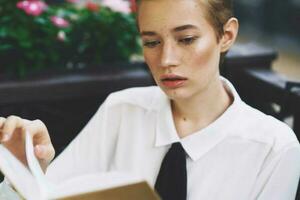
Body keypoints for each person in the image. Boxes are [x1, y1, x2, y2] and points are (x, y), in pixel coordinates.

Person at [1, 0, 300, 199]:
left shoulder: (274, 149)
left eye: (186, 39)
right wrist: (28, 168)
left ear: (226, 35)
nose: (166, 59)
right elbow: (48, 194)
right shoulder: (121, 111)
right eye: (151, 42)